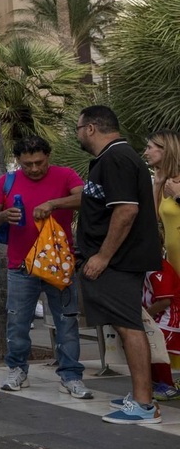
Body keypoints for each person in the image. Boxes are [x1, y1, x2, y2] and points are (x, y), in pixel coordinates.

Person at [75, 107, 164, 424]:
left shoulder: (117, 158)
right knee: (126, 326)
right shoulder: (110, 159)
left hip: (119, 262)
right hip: (115, 260)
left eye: (79, 127)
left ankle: (143, 403)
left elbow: (125, 211)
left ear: (92, 128)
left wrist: (102, 256)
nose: (77, 133)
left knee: (129, 327)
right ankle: (141, 395)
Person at [0, 136, 88, 398]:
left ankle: (71, 376)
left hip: (58, 265)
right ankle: (17, 370)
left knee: (67, 321)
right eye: (27, 164)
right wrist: (2, 217)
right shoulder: (6, 181)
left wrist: (54, 203)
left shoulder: (65, 176)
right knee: (18, 321)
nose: (33, 169)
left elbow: (85, 199)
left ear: (48, 156)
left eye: (39, 163)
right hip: (20, 265)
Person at [145, 129, 180, 394]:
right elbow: (152, 221)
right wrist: (158, 185)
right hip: (174, 260)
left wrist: (178, 195)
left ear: (165, 149)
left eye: (150, 147)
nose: (146, 152)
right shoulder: (164, 180)